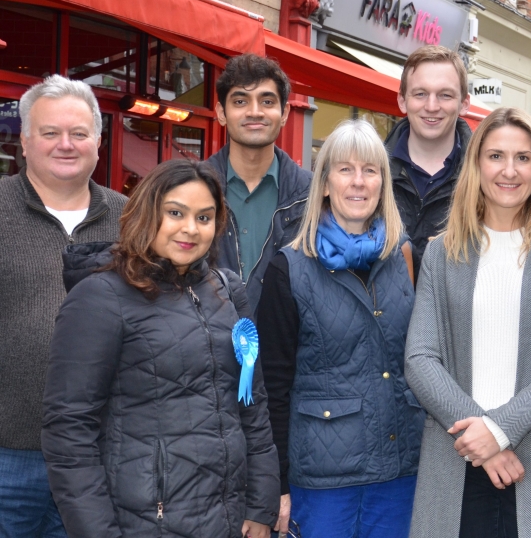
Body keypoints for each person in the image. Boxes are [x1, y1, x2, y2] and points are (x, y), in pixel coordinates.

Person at [41, 159, 280, 538]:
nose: (190, 229)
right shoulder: (100, 297)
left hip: (230, 519)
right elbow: (69, 430)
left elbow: (252, 403)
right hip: (143, 522)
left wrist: (261, 506)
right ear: (146, 212)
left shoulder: (228, 289)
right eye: (175, 213)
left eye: (204, 217)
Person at [405, 107, 531, 538]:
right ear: (476, 165)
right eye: (495, 156)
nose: (509, 171)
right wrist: (484, 443)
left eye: (523, 158)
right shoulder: (442, 252)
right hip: (457, 458)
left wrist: (499, 429)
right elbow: (420, 359)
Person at [258, 119, 422, 538]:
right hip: (322, 482)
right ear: (325, 182)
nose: (358, 182)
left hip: (400, 470)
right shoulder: (289, 268)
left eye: (370, 171)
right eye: (345, 170)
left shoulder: (405, 257)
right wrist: (275, 485)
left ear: (383, 184)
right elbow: (272, 384)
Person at [0, 75, 126, 538]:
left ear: (98, 141)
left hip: (104, 456)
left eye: (78, 133)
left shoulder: (133, 220)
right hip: (7, 457)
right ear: (26, 142)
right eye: (50, 133)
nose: (65, 145)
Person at [208, 53, 312, 314]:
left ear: (284, 112)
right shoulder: (189, 190)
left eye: (267, 101)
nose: (255, 112)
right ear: (222, 112)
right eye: (240, 101)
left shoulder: (314, 196)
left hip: (285, 350)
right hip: (203, 348)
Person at [385, 45, 472, 277]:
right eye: (420, 94)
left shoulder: (484, 180)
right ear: (402, 101)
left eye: (445, 95)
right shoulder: (372, 173)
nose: (432, 106)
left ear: (464, 103)